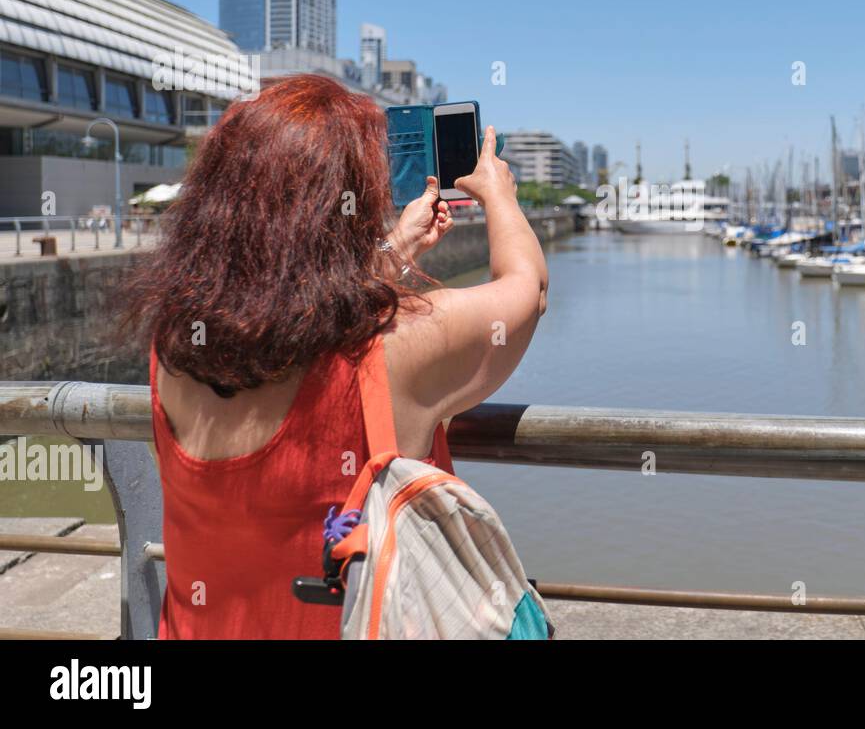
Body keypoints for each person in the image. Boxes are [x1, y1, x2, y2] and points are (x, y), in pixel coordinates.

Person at [123, 74, 547, 639]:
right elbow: (527, 288)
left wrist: (395, 252)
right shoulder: (394, 345)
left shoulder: (177, 341)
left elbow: (286, 312)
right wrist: (498, 194)